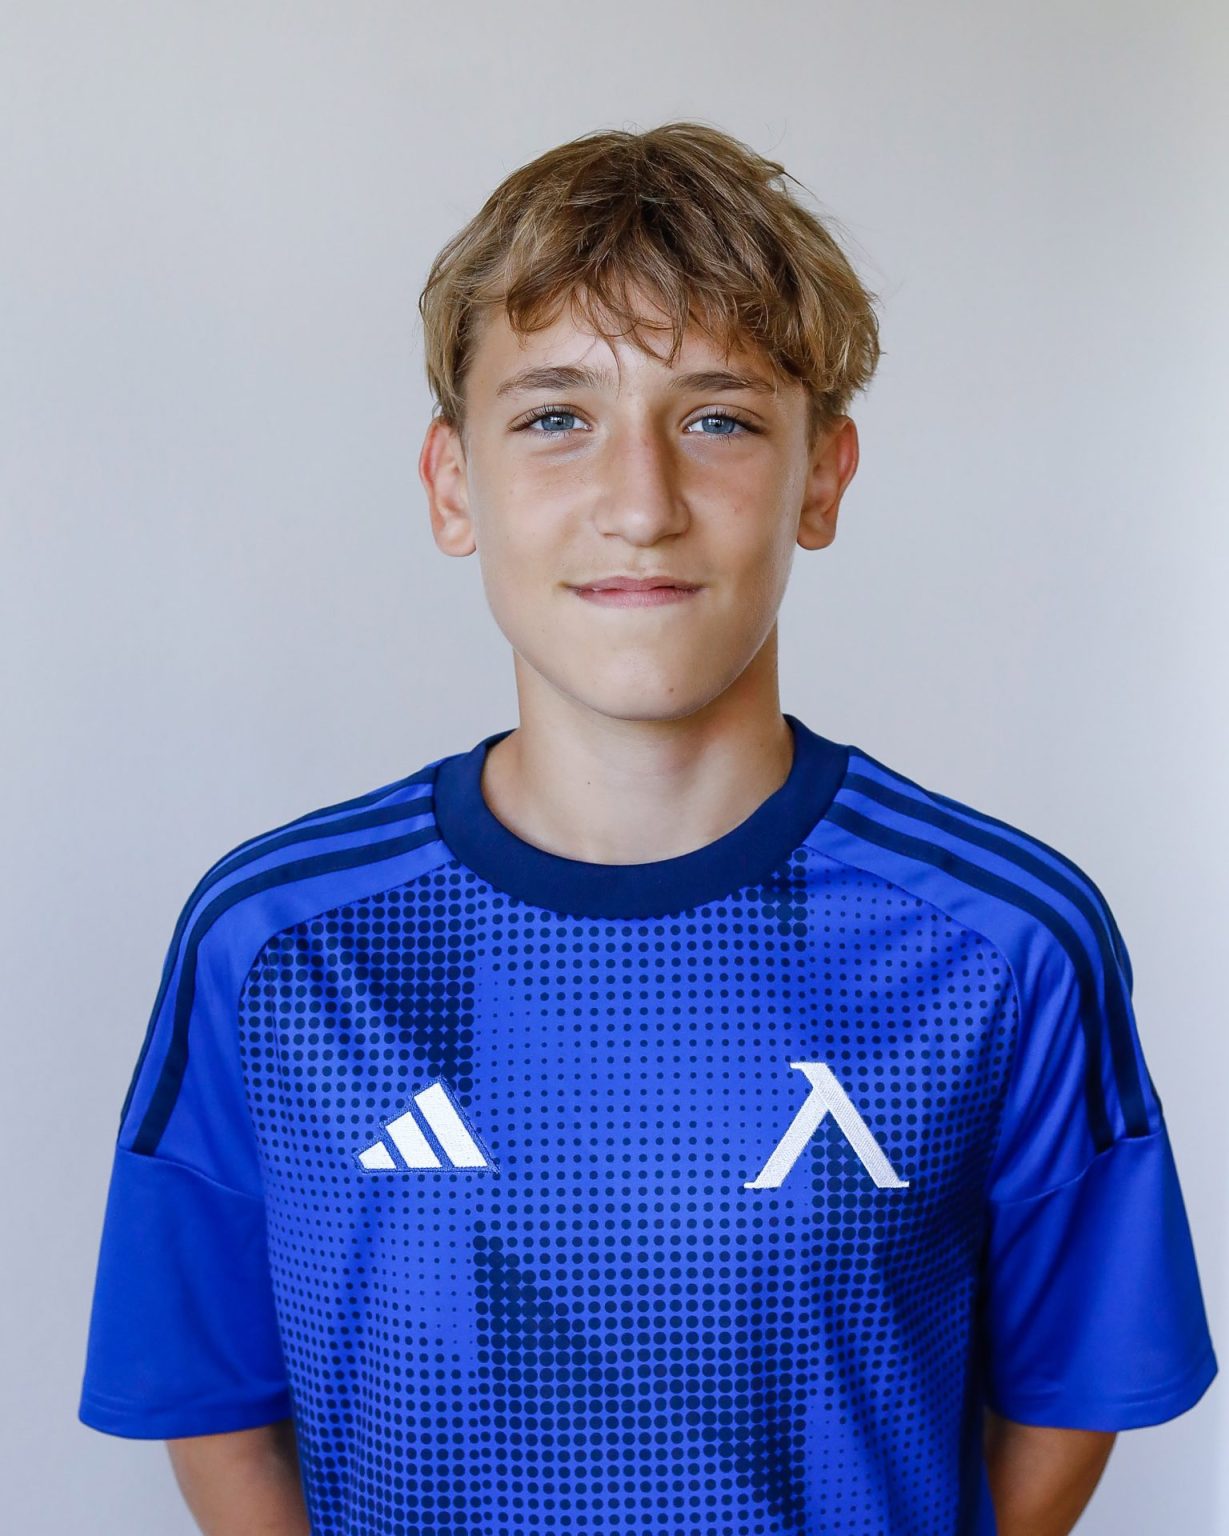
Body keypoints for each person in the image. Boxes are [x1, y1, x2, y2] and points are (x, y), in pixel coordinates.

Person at [78, 121, 1217, 1536]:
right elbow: (210, 1397)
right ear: (451, 483)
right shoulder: (275, 942)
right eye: (555, 416)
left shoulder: (1004, 939)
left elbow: (1069, 1388)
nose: (640, 504)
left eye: (718, 419)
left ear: (822, 478)